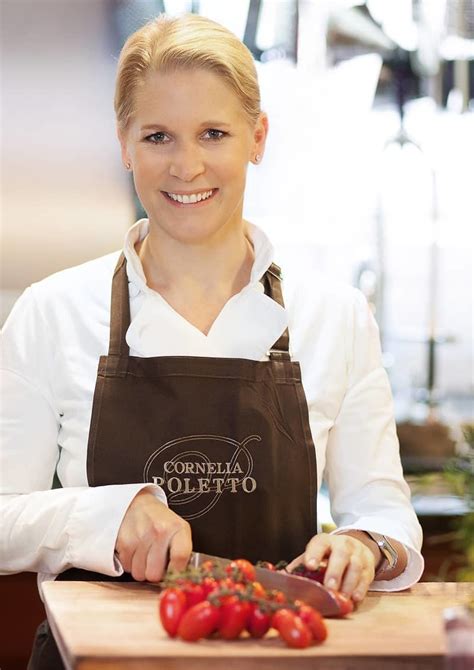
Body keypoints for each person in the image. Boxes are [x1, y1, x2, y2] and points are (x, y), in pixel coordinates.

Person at [1, 12, 423, 669]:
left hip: (282, 658)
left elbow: (384, 511)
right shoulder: (51, 313)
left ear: (258, 138)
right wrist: (105, 518)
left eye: (214, 133)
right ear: (125, 144)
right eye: (158, 136)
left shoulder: (335, 315)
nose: (187, 164)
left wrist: (366, 544)